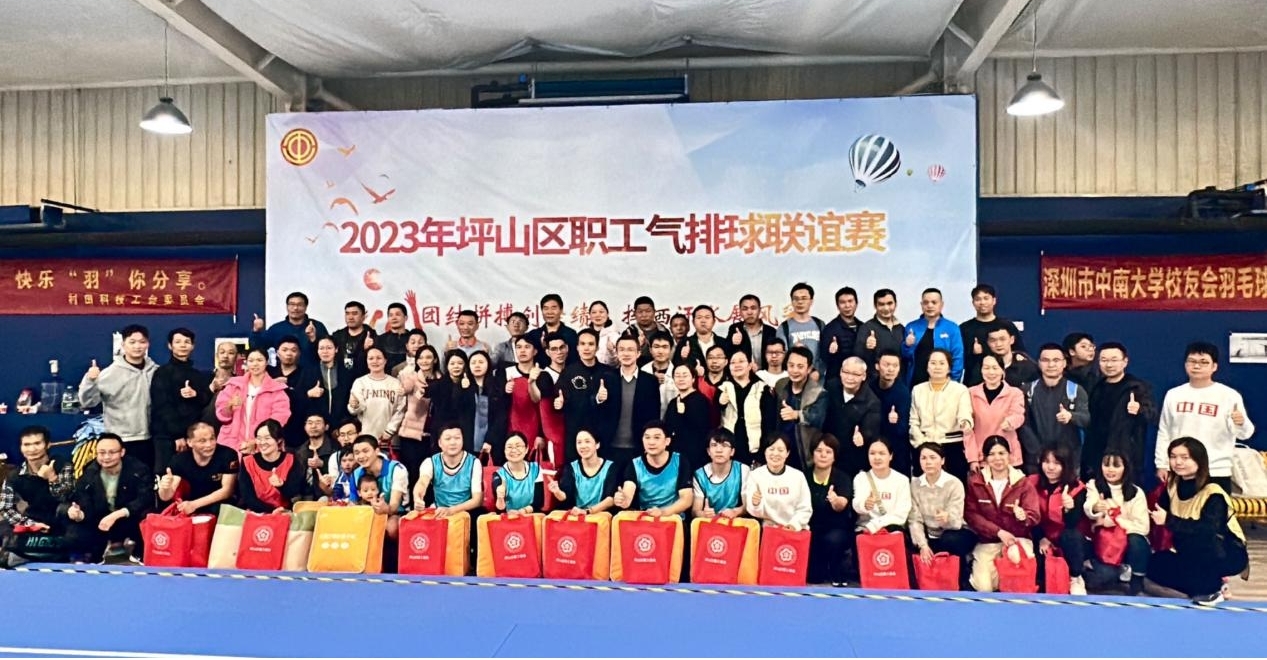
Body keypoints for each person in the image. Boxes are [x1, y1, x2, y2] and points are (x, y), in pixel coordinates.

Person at [1149, 437, 1249, 606]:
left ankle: (1211, 586)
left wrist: (1168, 520)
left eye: (1185, 457)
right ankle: (1213, 584)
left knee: (1199, 562)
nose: (1178, 462)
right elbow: (1158, 511)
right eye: (1173, 456)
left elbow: (1207, 530)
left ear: (1199, 460)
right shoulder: (1172, 485)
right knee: (1155, 564)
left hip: (1222, 551)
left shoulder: (1214, 492)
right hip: (1188, 551)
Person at [1155, 342, 1253, 493]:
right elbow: (1164, 431)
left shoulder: (1228, 395)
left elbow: (1245, 434)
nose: (1196, 366)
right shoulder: (1174, 394)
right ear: (1185, 364)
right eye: (1192, 361)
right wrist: (1162, 464)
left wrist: (1241, 423)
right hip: (1181, 470)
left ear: (1214, 366)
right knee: (1180, 508)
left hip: (1216, 469)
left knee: (1214, 508)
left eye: (1203, 362)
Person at [964, 436, 1041, 593]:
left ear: (1010, 455)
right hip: (988, 541)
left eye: (1002, 453)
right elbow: (971, 515)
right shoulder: (975, 482)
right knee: (984, 588)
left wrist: (1023, 517)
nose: (997, 458)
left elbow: (1034, 515)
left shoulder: (1023, 483)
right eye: (992, 454)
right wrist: (998, 532)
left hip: (1017, 539)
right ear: (985, 458)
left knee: (1017, 585)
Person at [79, 324, 159, 471]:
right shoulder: (109, 374)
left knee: (147, 479)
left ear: (148, 344)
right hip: (120, 440)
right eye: (132, 342)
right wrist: (90, 380)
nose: (137, 346)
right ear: (123, 344)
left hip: (151, 439)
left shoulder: (156, 371)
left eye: (142, 342)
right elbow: (88, 402)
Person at [65, 434, 154, 564]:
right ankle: (90, 555)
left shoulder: (139, 469)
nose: (106, 457)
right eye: (102, 453)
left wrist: (117, 515)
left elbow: (145, 498)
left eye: (112, 452)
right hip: (101, 520)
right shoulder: (89, 471)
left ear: (122, 452)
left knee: (148, 514)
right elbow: (84, 500)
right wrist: (79, 514)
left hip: (129, 517)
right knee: (72, 525)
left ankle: (139, 551)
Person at [909, 442, 976, 589]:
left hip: (956, 531)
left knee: (949, 540)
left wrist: (947, 518)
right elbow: (915, 519)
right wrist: (923, 545)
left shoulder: (954, 483)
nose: (928, 462)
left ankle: (960, 578)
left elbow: (956, 522)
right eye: (924, 458)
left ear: (942, 460)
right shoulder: (915, 485)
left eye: (933, 457)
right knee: (911, 543)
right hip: (929, 534)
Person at [1083, 450, 1149, 595]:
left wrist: (1114, 520)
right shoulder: (1093, 485)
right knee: (1102, 578)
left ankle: (1136, 583)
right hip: (1103, 547)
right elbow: (1088, 508)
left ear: (1126, 468)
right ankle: (1113, 572)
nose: (1110, 470)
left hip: (1127, 544)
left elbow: (1143, 527)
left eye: (1116, 465)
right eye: (1106, 464)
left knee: (1138, 541)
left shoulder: (1137, 492)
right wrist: (1095, 508)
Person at [1086, 342, 1155, 479]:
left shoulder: (1137, 387)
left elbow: (1152, 415)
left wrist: (1139, 409)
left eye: (1114, 360)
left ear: (1125, 361)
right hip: (1098, 453)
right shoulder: (1096, 387)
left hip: (1126, 455)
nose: (1109, 365)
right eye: (1104, 360)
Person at [149, 327, 213, 473]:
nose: (183, 345)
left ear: (193, 346)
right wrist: (177, 435)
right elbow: (162, 406)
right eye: (178, 342)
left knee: (191, 478)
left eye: (187, 342)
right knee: (166, 477)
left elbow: (205, 402)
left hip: (192, 437)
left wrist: (195, 394)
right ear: (170, 346)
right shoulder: (162, 373)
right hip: (167, 437)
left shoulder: (198, 375)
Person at [1028, 443, 1089, 595]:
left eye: (1056, 463)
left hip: (1067, 538)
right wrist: (1042, 538)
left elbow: (1073, 524)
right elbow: (1031, 515)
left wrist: (1069, 509)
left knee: (1071, 537)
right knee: (1041, 574)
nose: (1050, 467)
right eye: (1046, 462)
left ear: (1065, 465)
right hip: (1040, 536)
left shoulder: (1077, 488)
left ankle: (1075, 577)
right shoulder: (1031, 483)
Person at [1019, 343, 1089, 474]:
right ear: (1039, 363)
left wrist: (1071, 416)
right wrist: (1037, 452)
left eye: (1056, 360)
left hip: (1068, 461)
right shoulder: (1027, 390)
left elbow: (1086, 419)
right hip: (1036, 461)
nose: (1051, 365)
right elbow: (1023, 425)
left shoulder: (1075, 390)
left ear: (1064, 363)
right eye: (1046, 360)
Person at [594, 336, 662, 467]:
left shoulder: (650, 381)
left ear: (638, 353)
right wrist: (598, 399)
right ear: (616, 353)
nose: (626, 353)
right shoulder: (606, 378)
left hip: (638, 447)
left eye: (630, 349)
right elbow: (594, 410)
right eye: (622, 349)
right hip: (609, 446)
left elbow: (654, 415)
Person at [909, 349, 974, 480]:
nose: (937, 367)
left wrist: (965, 423)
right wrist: (921, 443)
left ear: (949, 368)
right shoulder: (918, 389)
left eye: (942, 363)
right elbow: (913, 420)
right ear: (927, 367)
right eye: (933, 363)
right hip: (924, 444)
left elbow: (965, 413)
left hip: (951, 445)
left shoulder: (960, 390)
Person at [0, 426, 76, 533]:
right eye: (27, 445)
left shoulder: (62, 465)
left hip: (62, 519)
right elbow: (5, 508)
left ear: (48, 445)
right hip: (32, 519)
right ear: (21, 448)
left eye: (37, 443)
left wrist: (52, 478)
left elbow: (66, 498)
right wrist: (30, 524)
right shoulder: (15, 475)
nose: (32, 449)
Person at [215, 348, 291, 454]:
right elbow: (221, 415)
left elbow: (279, 420)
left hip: (263, 445)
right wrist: (230, 405)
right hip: (231, 443)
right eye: (251, 360)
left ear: (267, 362)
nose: (255, 364)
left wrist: (256, 441)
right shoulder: (234, 385)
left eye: (259, 360)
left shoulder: (277, 389)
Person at [158, 422, 239, 515]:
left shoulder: (228, 454)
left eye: (212, 439)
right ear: (189, 442)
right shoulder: (179, 460)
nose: (209, 445)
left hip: (220, 504)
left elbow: (227, 491)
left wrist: (195, 504)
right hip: (190, 505)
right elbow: (166, 497)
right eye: (202, 441)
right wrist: (165, 488)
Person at [805, 435, 854, 587]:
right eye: (819, 450)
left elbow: (842, 504)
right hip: (809, 529)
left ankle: (836, 568)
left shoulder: (842, 478)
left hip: (835, 529)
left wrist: (835, 501)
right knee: (814, 577)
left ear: (834, 456)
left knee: (834, 539)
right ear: (812, 453)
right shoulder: (803, 476)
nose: (823, 455)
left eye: (828, 451)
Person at [617, 421, 693, 518]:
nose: (651, 442)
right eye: (647, 437)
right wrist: (623, 500)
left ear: (667, 441)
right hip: (646, 517)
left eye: (657, 437)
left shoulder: (680, 461)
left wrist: (663, 512)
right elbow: (628, 494)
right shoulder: (635, 464)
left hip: (672, 517)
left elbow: (686, 500)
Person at [822, 356, 882, 477]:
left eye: (855, 374)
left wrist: (863, 436)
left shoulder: (872, 402)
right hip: (827, 452)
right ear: (840, 372)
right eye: (846, 372)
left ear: (864, 376)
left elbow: (871, 429)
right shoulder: (831, 387)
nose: (850, 378)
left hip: (851, 459)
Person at [717, 351, 777, 466]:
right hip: (730, 443)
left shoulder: (762, 388)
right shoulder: (723, 388)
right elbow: (714, 416)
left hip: (755, 444)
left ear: (750, 365)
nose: (737, 365)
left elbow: (769, 422)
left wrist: (763, 450)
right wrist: (720, 402)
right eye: (733, 362)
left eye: (741, 361)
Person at [959, 284, 1025, 387]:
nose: (982, 302)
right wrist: (973, 353)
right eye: (978, 299)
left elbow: (1020, 353)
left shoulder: (1006, 326)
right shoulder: (964, 328)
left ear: (994, 301)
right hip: (974, 383)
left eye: (986, 298)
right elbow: (958, 360)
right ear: (973, 303)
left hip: (1006, 384)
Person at [413, 425, 484, 520]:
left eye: (457, 438)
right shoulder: (430, 462)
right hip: (439, 510)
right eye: (448, 439)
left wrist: (451, 510)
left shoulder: (474, 462)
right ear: (440, 443)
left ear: (463, 440)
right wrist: (417, 498)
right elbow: (422, 482)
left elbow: (477, 500)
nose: (453, 442)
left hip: (466, 511)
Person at [773, 346, 827, 470]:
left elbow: (818, 418)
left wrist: (796, 415)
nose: (795, 370)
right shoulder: (780, 385)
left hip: (804, 451)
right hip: (781, 449)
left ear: (809, 369)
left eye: (800, 366)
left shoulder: (819, 392)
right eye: (791, 365)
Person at [968, 354, 1025, 471]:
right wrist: (972, 458)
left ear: (1002, 370)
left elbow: (1018, 415)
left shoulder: (1015, 393)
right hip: (981, 457)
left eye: (995, 368)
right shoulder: (970, 393)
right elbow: (968, 431)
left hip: (1008, 457)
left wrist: (1010, 422)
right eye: (986, 368)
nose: (991, 372)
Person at [559, 329, 608, 463]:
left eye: (591, 344)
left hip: (601, 434)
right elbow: (560, 397)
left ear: (597, 347)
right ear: (577, 347)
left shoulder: (607, 372)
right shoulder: (568, 372)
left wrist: (600, 399)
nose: (586, 348)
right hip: (575, 434)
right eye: (582, 344)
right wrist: (559, 402)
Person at [237, 420, 307, 513]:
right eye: (259, 438)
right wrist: (272, 511)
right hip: (256, 512)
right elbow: (248, 497)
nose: (262, 442)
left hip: (284, 512)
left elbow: (293, 493)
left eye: (267, 438)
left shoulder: (291, 459)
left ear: (279, 440)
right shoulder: (248, 462)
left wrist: (281, 485)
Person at [745, 434, 813, 530]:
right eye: (771, 449)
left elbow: (805, 508)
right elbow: (754, 511)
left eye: (780, 450)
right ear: (765, 451)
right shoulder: (755, 475)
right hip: (768, 530)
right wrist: (755, 504)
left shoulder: (798, 476)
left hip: (794, 529)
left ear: (787, 453)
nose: (775, 453)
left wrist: (793, 525)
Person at [397, 344, 440, 486]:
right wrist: (403, 389)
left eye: (428, 357)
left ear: (435, 359)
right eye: (420, 358)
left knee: (429, 474)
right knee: (412, 473)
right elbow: (404, 388)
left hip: (433, 435)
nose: (424, 361)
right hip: (411, 434)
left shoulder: (441, 379)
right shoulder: (412, 377)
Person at [348, 347, 407, 451]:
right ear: (366, 361)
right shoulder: (360, 382)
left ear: (385, 360)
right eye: (371, 358)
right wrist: (354, 405)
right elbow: (355, 410)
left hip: (389, 440)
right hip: (366, 437)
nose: (375, 361)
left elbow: (401, 409)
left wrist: (389, 431)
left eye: (378, 358)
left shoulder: (395, 383)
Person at [901, 288, 963, 386]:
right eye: (926, 302)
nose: (930, 306)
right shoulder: (911, 327)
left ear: (941, 304)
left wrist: (953, 382)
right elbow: (905, 358)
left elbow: (958, 356)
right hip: (915, 382)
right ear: (921, 305)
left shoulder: (952, 328)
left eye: (934, 302)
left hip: (943, 383)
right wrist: (907, 346)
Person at [251, 291, 329, 369]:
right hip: (284, 374)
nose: (295, 308)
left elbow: (328, 351)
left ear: (306, 307)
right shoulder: (276, 328)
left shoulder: (317, 327)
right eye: (292, 304)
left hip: (312, 373)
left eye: (300, 305)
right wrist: (256, 331)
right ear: (287, 307)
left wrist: (313, 339)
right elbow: (257, 349)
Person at [268, 336, 321, 449]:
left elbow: (310, 405)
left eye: (293, 350)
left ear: (299, 353)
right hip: (272, 431)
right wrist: (306, 394)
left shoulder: (308, 374)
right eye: (284, 350)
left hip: (299, 433)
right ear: (277, 353)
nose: (289, 353)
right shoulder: (269, 374)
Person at [550, 429, 621, 514]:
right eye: (579, 442)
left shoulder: (610, 467)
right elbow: (565, 496)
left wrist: (588, 511)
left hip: (601, 515)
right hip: (577, 514)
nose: (583, 446)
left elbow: (610, 499)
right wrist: (557, 492)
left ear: (597, 445)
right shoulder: (571, 467)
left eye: (587, 441)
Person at [351, 435, 409, 538]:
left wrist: (385, 509)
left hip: (395, 514)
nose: (361, 456)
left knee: (392, 527)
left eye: (365, 451)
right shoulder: (356, 473)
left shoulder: (396, 469)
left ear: (377, 451)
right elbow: (353, 503)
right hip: (366, 513)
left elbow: (394, 506)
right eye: (357, 453)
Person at [851, 438, 911, 534]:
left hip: (891, 530)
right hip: (865, 529)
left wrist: (875, 525)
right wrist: (865, 505)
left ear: (890, 456)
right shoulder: (861, 478)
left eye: (882, 453)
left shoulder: (902, 480)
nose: (877, 457)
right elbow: (856, 503)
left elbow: (901, 514)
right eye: (872, 453)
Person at [691, 428, 752, 519]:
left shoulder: (742, 470)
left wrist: (736, 511)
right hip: (710, 522)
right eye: (714, 445)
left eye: (724, 445)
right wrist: (703, 514)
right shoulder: (699, 475)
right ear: (708, 451)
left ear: (732, 451)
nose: (719, 450)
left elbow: (748, 506)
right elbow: (695, 511)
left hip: (734, 521)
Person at [869, 349, 912, 476]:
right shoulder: (869, 387)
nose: (891, 369)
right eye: (886, 365)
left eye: (895, 366)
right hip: (871, 443)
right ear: (877, 366)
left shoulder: (903, 393)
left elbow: (903, 429)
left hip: (896, 448)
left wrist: (895, 421)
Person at [663, 363, 711, 470]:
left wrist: (684, 414)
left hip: (695, 455)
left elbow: (702, 429)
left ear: (693, 378)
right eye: (677, 376)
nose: (681, 379)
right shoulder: (673, 402)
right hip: (675, 455)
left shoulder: (700, 401)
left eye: (685, 375)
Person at [854, 288, 906, 381]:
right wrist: (867, 348)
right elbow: (857, 359)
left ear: (895, 304)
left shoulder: (900, 328)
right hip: (875, 382)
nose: (886, 308)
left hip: (898, 381)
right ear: (875, 306)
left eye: (889, 303)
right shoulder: (866, 328)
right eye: (881, 304)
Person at [777, 283, 827, 377]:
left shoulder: (820, 324)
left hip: (817, 379)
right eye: (796, 299)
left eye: (804, 298)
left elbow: (825, 353)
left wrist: (817, 372)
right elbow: (781, 356)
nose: (800, 302)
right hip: (793, 377)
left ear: (811, 301)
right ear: (792, 302)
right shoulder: (784, 327)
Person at [491, 432, 547, 514]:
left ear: (526, 449)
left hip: (532, 516)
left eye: (518, 446)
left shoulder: (536, 469)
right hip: (510, 518)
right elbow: (500, 510)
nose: (514, 450)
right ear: (504, 450)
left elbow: (539, 502)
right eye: (509, 447)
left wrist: (522, 511)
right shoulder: (499, 475)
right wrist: (500, 498)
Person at [722, 294, 779, 370]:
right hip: (743, 374)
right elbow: (725, 354)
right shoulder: (735, 329)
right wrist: (732, 343)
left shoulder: (771, 331)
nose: (749, 312)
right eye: (745, 309)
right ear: (740, 312)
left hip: (765, 374)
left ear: (759, 310)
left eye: (753, 308)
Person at [524, 293, 579, 368]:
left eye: (553, 308)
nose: (549, 312)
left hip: (566, 374)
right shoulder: (533, 335)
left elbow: (574, 360)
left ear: (561, 310)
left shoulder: (571, 334)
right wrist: (543, 348)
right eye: (546, 308)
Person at [821, 286, 861, 383]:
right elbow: (824, 358)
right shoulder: (830, 329)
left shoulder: (863, 327)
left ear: (856, 303)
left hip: (858, 381)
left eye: (850, 301)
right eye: (842, 302)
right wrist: (831, 352)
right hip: (836, 381)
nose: (847, 305)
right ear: (837, 306)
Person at [313, 336, 353, 429]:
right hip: (318, 425)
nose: (325, 351)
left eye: (329, 348)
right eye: (321, 348)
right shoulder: (309, 372)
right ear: (317, 351)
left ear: (336, 349)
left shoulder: (346, 372)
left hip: (342, 424)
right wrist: (309, 394)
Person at [294, 414, 337, 500]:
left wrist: (322, 464)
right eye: (310, 423)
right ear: (305, 427)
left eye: (318, 423)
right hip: (303, 497)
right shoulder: (299, 451)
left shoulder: (334, 448)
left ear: (326, 427)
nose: (313, 426)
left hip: (326, 495)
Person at [331, 300, 378, 379]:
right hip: (342, 381)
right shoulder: (337, 336)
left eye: (354, 313)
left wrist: (366, 349)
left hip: (365, 381)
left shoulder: (372, 336)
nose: (350, 317)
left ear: (363, 316)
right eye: (347, 313)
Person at [588, 301, 626, 367]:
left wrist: (611, 352)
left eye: (601, 312)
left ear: (607, 314)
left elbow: (618, 364)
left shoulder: (615, 336)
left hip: (608, 372)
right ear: (590, 315)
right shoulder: (584, 335)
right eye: (594, 312)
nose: (597, 315)